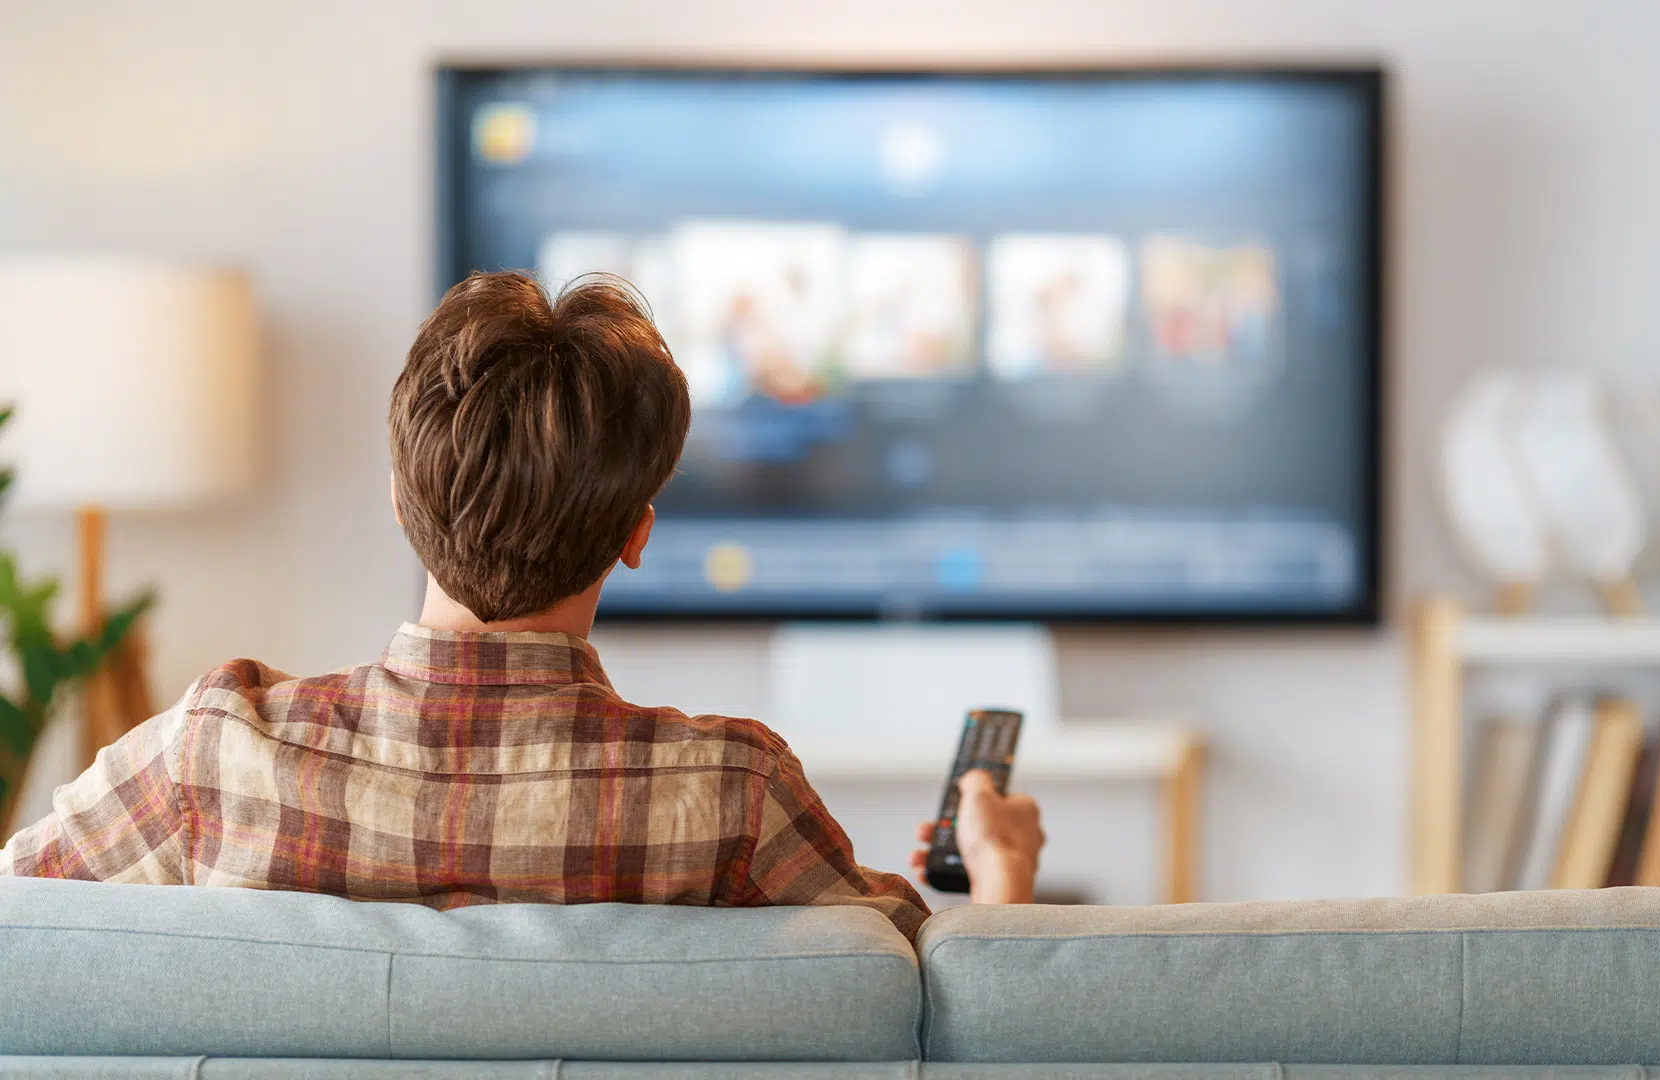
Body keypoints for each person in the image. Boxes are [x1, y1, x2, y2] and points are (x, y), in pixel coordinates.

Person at [0, 271, 1044, 941]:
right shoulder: (734, 795)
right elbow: (935, 1004)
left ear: (400, 502)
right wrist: (999, 875)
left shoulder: (214, 755)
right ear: (639, 533)